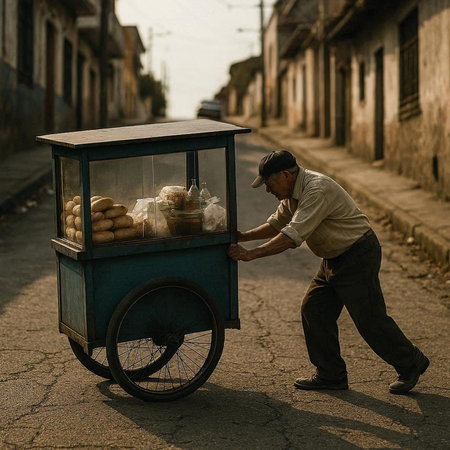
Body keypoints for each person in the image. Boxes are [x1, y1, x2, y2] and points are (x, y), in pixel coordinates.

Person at [228, 150, 429, 394]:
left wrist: (251, 254)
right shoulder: (291, 194)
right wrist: (243, 236)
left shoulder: (316, 189)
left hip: (357, 254)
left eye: (270, 184)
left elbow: (291, 236)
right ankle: (331, 375)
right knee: (314, 310)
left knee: (369, 318)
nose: (268, 190)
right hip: (333, 258)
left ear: (285, 175)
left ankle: (411, 363)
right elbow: (277, 224)